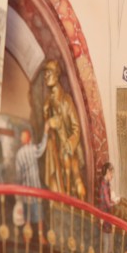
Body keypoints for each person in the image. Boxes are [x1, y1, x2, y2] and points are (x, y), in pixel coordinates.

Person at [42, 59, 87, 201]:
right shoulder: (49, 100)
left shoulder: (66, 100)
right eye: (45, 73)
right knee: (55, 187)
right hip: (55, 150)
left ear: (56, 75)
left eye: (49, 72)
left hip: (68, 149)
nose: (46, 76)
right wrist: (45, 113)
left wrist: (69, 144)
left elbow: (76, 128)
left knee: (74, 180)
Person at [15, 124, 49, 244]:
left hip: (25, 190)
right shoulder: (32, 149)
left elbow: (18, 174)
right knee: (39, 215)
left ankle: (27, 237)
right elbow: (42, 148)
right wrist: (46, 132)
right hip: (35, 189)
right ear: (29, 139)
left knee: (27, 215)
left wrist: (19, 187)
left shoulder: (19, 154)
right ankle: (40, 237)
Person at [97, 162, 118, 253]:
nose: (112, 176)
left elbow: (108, 201)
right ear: (107, 173)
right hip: (104, 218)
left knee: (109, 246)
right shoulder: (103, 185)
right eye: (111, 173)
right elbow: (107, 203)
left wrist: (113, 202)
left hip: (108, 218)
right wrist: (115, 203)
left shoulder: (107, 184)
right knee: (106, 245)